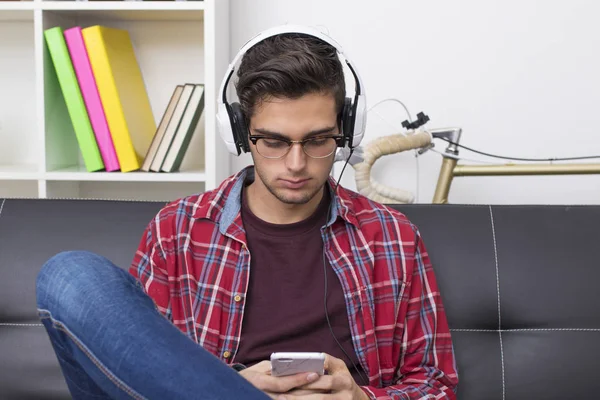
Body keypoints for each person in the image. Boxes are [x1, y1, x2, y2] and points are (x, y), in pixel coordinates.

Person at [36, 25, 458, 399]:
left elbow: (436, 387)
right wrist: (232, 385)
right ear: (240, 133)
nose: (296, 163)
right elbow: (142, 370)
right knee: (70, 273)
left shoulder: (391, 237)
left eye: (317, 140)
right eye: (273, 141)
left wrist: (361, 398)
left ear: (346, 129)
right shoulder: (177, 230)